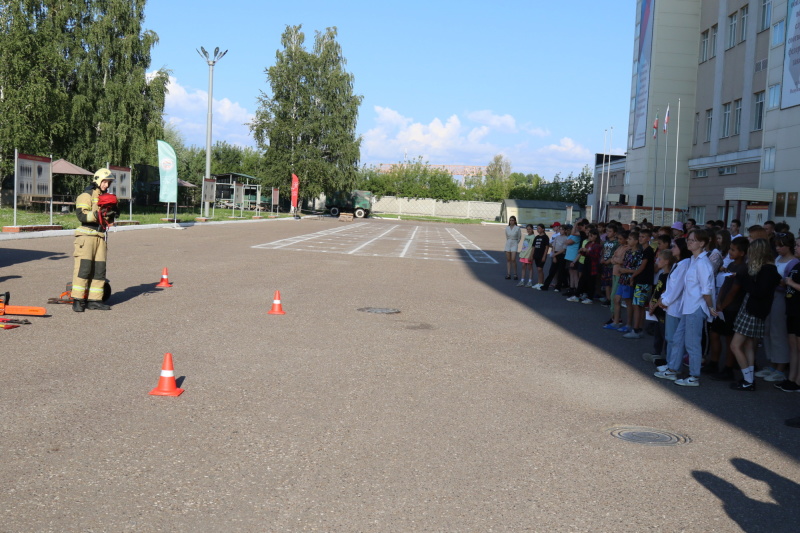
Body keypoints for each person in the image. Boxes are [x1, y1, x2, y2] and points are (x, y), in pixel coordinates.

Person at [654, 229, 716, 387]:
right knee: (678, 339)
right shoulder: (693, 261)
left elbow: (706, 289)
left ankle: (694, 376)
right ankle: (673, 369)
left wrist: (710, 307)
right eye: (689, 240)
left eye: (693, 240)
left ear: (702, 243)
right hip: (687, 307)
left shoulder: (702, 263)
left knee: (692, 343)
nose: (689, 242)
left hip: (696, 307)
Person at [728, 239, 782, 391]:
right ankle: (748, 380)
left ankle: (748, 380)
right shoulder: (767, 269)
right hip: (752, 308)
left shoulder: (768, 270)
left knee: (735, 345)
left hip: (753, 311)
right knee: (748, 345)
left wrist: (743, 278)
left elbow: (759, 291)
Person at [71, 168, 118, 312]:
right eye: (104, 182)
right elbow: (81, 215)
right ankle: (78, 300)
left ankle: (94, 300)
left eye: (109, 182)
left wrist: (112, 212)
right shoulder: (86, 195)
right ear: (98, 180)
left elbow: (108, 218)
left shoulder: (107, 197)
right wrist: (98, 214)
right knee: (83, 269)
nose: (106, 185)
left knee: (99, 270)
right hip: (86, 236)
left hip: (100, 236)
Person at [757, 232, 799, 383]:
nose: (778, 248)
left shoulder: (793, 262)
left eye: (781, 245)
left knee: (778, 331)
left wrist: (781, 282)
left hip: (781, 297)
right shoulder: (777, 258)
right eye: (776, 245)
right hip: (771, 296)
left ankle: (781, 367)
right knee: (767, 330)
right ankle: (772, 363)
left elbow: (787, 282)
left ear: (789, 246)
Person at [708, 237, 749, 381]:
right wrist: (719, 301)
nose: (730, 252)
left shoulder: (743, 268)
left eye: (733, 250)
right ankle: (714, 363)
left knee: (729, 339)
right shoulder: (731, 266)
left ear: (742, 253)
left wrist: (723, 305)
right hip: (723, 307)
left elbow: (734, 291)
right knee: (714, 334)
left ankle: (728, 368)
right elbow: (725, 285)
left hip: (732, 308)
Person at [625, 228, 655, 339]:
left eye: (643, 237)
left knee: (637, 305)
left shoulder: (648, 251)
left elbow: (642, 267)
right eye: (640, 236)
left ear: (648, 238)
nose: (640, 238)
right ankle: (639, 328)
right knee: (640, 306)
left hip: (643, 281)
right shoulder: (643, 250)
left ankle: (636, 329)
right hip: (642, 280)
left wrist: (632, 276)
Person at [531, 224, 550, 289]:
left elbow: (546, 247)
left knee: (540, 269)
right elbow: (533, 247)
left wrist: (544, 256)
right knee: (538, 269)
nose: (538, 230)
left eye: (539, 228)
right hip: (536, 255)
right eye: (537, 228)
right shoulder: (536, 237)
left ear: (543, 229)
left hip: (542, 255)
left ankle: (541, 283)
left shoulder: (545, 237)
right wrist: (532, 255)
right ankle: (539, 283)